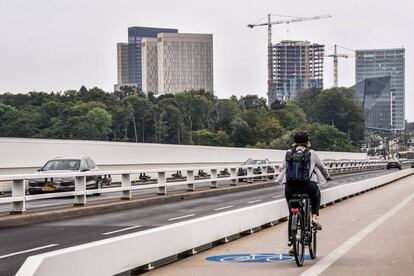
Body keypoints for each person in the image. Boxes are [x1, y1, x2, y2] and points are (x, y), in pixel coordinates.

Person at [276, 131, 331, 252]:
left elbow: (283, 168)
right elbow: (322, 167)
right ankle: (315, 217)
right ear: (307, 142)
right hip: (308, 185)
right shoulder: (312, 153)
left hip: (291, 187)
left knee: (292, 212)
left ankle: (292, 242)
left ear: (294, 142)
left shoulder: (289, 153)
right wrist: (327, 177)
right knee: (316, 193)